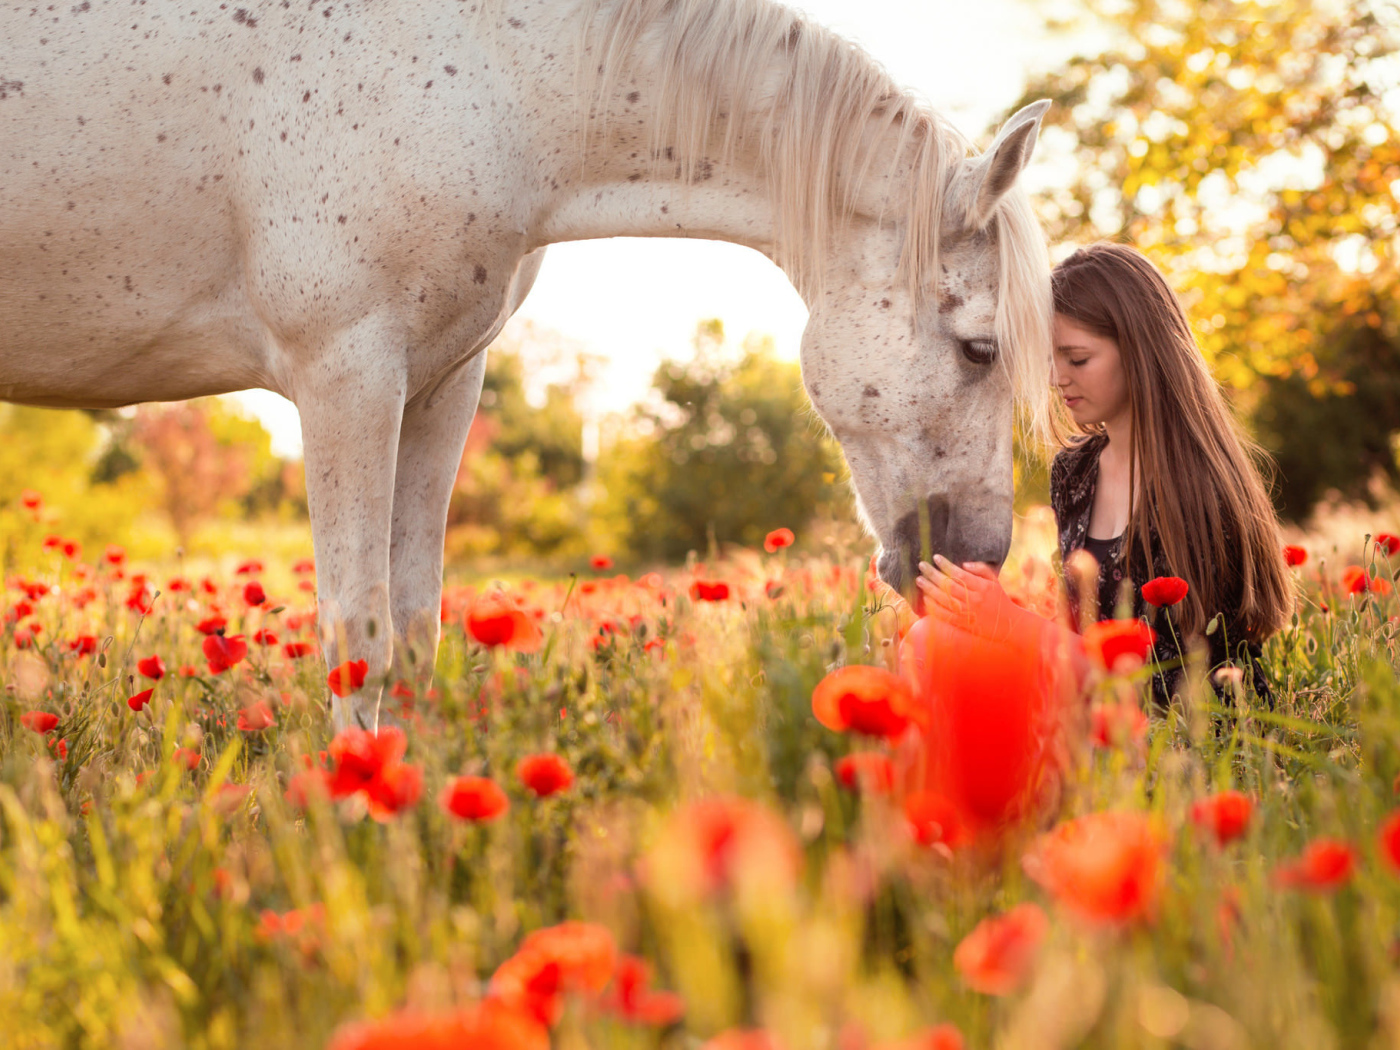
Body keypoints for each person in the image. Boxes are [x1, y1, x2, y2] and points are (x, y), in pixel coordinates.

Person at [918, 242, 1294, 707]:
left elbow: (1166, 687)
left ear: (1140, 351)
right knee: (928, 638)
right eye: (1051, 358)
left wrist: (1011, 626)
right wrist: (986, 603)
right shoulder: (1074, 471)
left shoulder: (1201, 490)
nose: (1056, 378)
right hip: (1092, 708)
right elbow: (1080, 635)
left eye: (1077, 359)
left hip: (1182, 736)